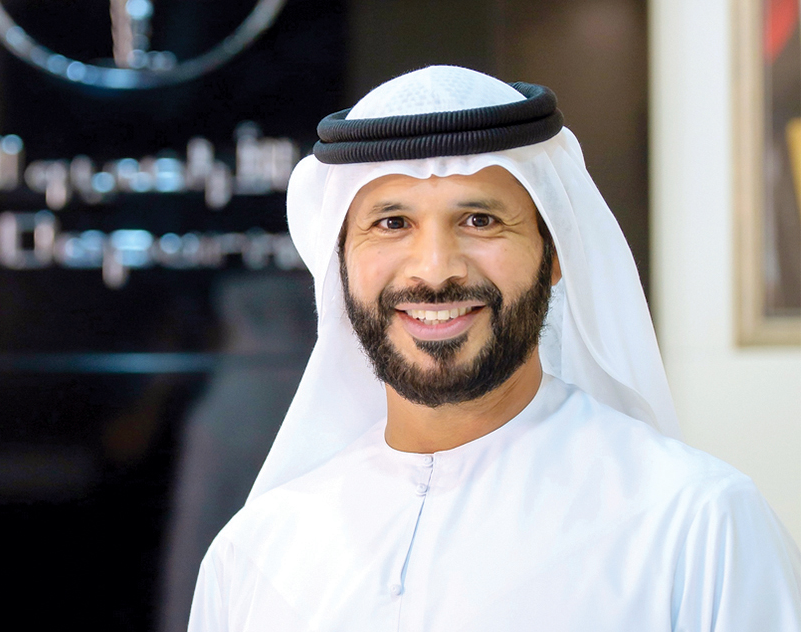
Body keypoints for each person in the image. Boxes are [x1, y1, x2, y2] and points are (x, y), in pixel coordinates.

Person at [186, 66, 801, 631]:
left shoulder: (694, 525)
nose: (435, 270)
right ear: (340, 263)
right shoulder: (257, 555)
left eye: (480, 220)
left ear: (554, 254)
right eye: (392, 223)